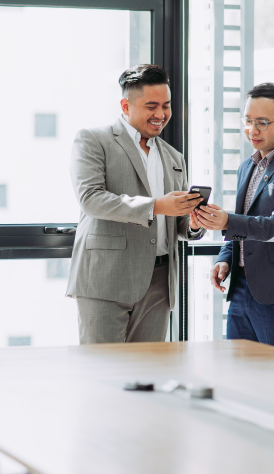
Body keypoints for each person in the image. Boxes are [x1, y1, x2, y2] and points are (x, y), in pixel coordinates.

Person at [66, 64, 206, 344]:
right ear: (125, 105)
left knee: (148, 374)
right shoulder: (94, 140)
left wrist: (192, 223)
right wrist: (155, 206)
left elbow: (174, 221)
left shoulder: (174, 157)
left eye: (166, 105)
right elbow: (91, 199)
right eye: (151, 105)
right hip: (106, 277)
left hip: (160, 283)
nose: (161, 114)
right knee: (103, 371)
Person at [198, 83, 274, 348]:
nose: (252, 130)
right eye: (248, 121)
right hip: (241, 290)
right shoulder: (247, 167)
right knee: (241, 377)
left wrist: (227, 221)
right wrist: (226, 258)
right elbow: (244, 223)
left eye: (262, 122)